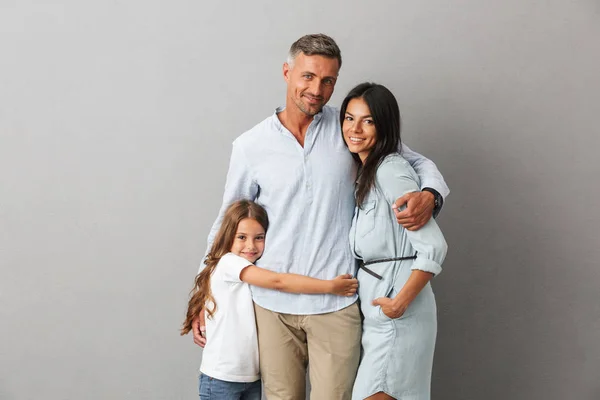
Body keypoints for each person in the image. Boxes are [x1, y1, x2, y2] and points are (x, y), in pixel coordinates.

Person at [193, 34, 450, 399]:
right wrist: (205, 295)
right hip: (271, 307)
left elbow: (417, 163)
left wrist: (430, 195)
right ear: (287, 72)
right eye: (308, 77)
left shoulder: (348, 130)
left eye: (328, 80)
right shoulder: (251, 146)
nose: (317, 89)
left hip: (338, 303)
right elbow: (226, 225)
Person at [181, 200, 358, 400]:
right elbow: (278, 281)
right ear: (227, 236)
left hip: (249, 378)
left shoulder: (247, 268)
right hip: (222, 378)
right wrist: (330, 287)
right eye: (241, 237)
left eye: (259, 238)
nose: (250, 246)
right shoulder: (229, 264)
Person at [341, 82, 448, 400]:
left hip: (398, 313)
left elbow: (434, 246)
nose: (355, 129)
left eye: (368, 120)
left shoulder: (391, 169)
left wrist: (399, 303)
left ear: (385, 126)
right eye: (349, 118)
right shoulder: (366, 174)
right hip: (378, 311)